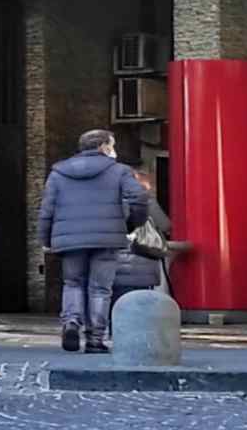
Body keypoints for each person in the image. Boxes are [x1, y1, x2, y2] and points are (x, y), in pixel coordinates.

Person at [39, 129, 149, 354]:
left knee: (73, 283)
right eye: (112, 145)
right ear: (103, 147)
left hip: (70, 238)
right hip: (107, 237)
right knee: (100, 288)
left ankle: (71, 322)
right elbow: (138, 198)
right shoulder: (120, 171)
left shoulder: (58, 173)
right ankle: (95, 340)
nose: (114, 150)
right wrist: (130, 224)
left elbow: (47, 209)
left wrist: (45, 239)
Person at [112, 162, 172, 312]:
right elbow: (165, 225)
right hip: (143, 260)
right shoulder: (145, 200)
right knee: (140, 309)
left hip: (113, 265)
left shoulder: (107, 199)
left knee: (116, 307)